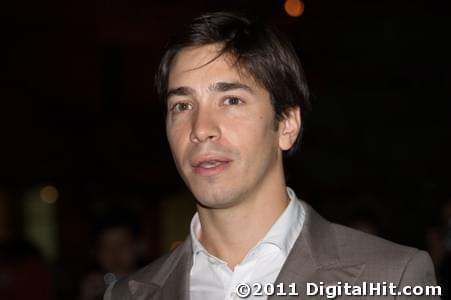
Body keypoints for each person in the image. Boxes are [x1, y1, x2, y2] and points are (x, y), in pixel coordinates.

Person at [104, 12, 440, 300]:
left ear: (287, 125)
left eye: (231, 100)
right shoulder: (127, 294)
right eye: (182, 105)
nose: (200, 128)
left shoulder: (392, 280)